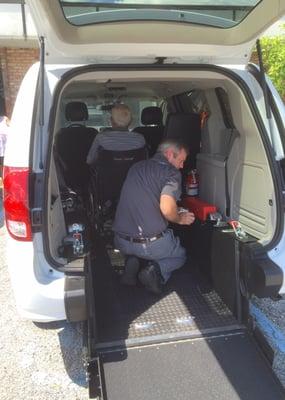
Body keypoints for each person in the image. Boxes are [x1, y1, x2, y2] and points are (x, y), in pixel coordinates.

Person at [113, 139, 195, 294]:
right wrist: (180, 218)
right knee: (180, 256)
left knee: (137, 250)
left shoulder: (136, 167)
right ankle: (155, 271)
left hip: (121, 241)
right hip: (151, 246)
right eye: (181, 160)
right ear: (170, 154)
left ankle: (132, 261)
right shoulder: (171, 173)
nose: (182, 166)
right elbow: (167, 209)